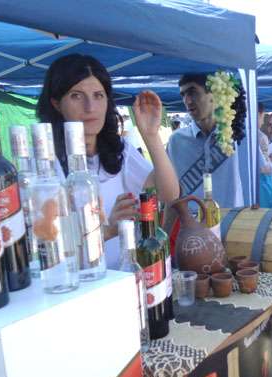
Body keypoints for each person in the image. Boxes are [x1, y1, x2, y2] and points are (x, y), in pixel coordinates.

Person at [37, 54, 180, 269]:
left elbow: (169, 194)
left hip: (125, 280)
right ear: (56, 103)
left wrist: (151, 135)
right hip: (76, 284)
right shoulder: (46, 165)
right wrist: (109, 229)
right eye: (76, 96)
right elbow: (49, 245)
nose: (90, 107)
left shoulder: (119, 151)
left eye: (98, 95)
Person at [166, 73, 244, 208]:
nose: (187, 101)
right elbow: (169, 192)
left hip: (234, 219)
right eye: (183, 95)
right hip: (190, 220)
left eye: (192, 92)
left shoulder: (239, 136)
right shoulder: (176, 141)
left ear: (215, 93)